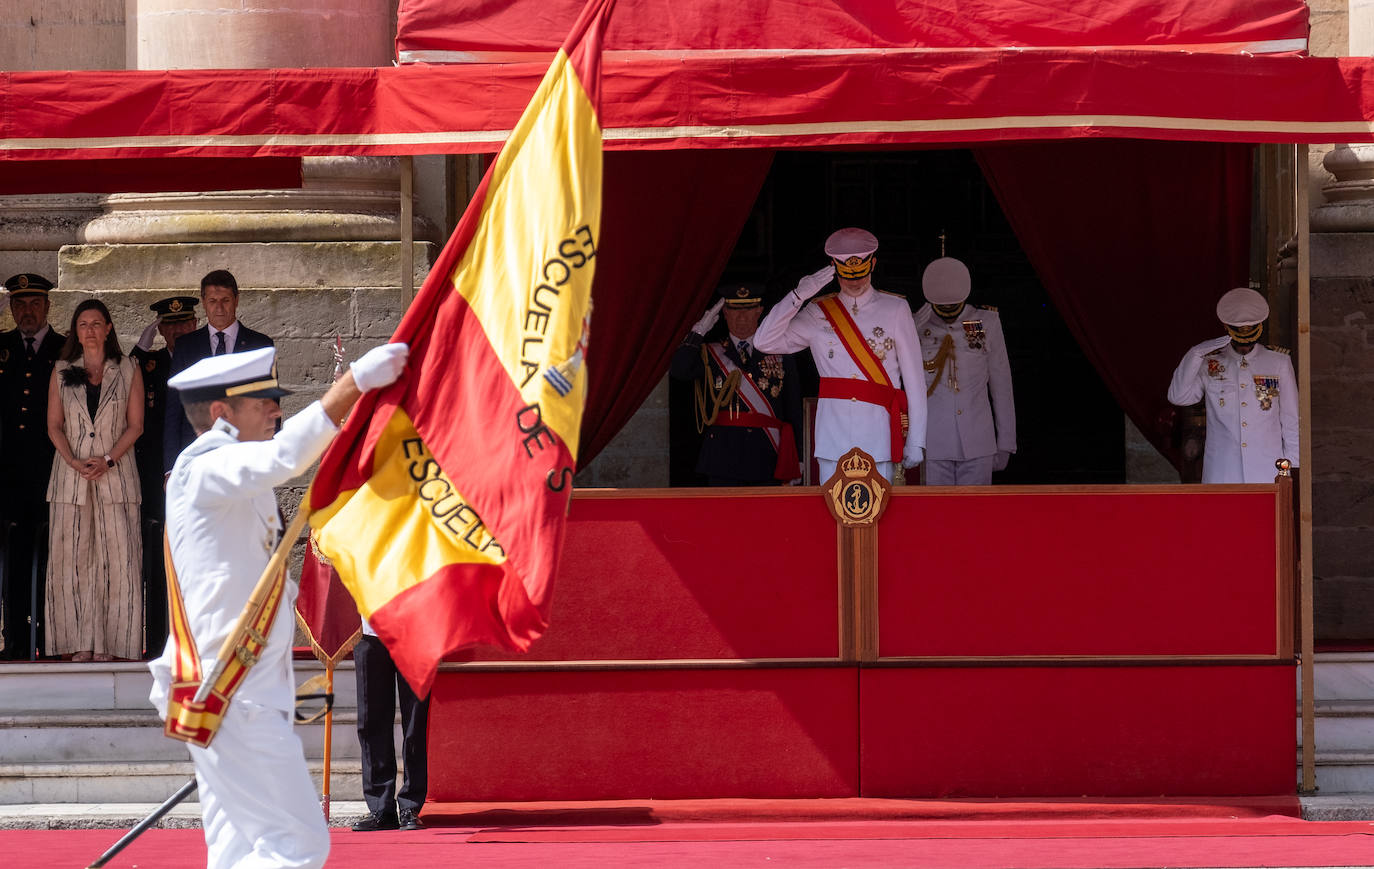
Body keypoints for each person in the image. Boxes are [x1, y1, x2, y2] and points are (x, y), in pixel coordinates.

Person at [149, 341, 407, 869]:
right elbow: (285, 456)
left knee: (236, 850)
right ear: (221, 415)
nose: (276, 409)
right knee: (299, 846)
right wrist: (353, 382)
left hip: (233, 693)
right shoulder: (206, 469)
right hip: (233, 696)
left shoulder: (234, 479)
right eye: (262, 401)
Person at [753, 227, 927, 483]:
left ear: (873, 264)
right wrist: (798, 295)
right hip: (833, 438)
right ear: (834, 269)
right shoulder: (817, 312)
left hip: (879, 435)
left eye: (860, 274)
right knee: (833, 518)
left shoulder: (896, 309)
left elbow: (914, 381)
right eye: (847, 276)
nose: (854, 281)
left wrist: (916, 440)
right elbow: (763, 341)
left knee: (879, 519)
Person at [44, 300, 145, 662]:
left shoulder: (129, 368)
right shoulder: (60, 371)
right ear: (75, 331)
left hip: (115, 475)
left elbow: (136, 425)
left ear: (108, 328)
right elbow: (54, 424)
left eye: (96, 323)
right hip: (70, 479)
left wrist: (108, 459)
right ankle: (79, 643)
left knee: (118, 560)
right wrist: (72, 460)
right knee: (71, 562)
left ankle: (113, 644)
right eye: (82, 324)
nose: (89, 330)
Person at [669, 283, 802, 485]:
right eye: (734, 310)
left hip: (768, 454)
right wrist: (698, 331)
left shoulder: (780, 352)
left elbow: (794, 408)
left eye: (748, 310)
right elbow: (679, 370)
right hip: (723, 457)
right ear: (724, 313)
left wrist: (798, 457)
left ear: (759, 311)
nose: (741, 317)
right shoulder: (711, 353)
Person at [1167, 287, 1299, 483]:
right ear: (1227, 331)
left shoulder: (1278, 362)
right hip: (1222, 471)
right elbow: (1178, 396)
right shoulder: (1210, 363)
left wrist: (1292, 467)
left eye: (1250, 340)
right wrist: (1195, 354)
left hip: (1267, 469)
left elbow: (1290, 419)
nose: (1245, 346)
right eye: (1239, 341)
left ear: (1259, 329)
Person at [0, 274, 66, 659]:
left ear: (47, 307)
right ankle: (14, 639)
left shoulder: (64, 348)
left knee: (51, 557)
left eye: (35, 303)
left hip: (51, 470)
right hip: (7, 474)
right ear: (11, 308)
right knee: (13, 557)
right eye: (20, 304)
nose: (28, 311)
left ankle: (48, 637)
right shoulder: (2, 347)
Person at [130, 295, 199, 656]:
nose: (177, 332)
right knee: (158, 564)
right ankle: (158, 641)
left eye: (184, 324)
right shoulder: (152, 364)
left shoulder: (203, 362)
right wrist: (143, 348)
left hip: (196, 474)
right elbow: (123, 377)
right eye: (169, 326)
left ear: (194, 324)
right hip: (157, 477)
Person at [915, 257, 1016, 485]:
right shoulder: (918, 325)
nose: (948, 311)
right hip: (932, 442)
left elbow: (1001, 384)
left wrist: (1006, 442)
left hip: (978, 440)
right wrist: (908, 329)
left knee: (976, 516)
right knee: (936, 515)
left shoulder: (982, 322)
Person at [163, 270, 273, 474]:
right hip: (196, 456)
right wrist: (170, 469)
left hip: (245, 454)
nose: (219, 308)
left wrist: (268, 461)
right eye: (213, 300)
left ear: (236, 300)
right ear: (203, 302)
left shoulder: (261, 345)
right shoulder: (186, 346)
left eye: (225, 300)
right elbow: (173, 409)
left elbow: (270, 405)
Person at [351, 617, 430, 832]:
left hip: (415, 628)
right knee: (371, 721)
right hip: (369, 629)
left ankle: (410, 805)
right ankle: (380, 807)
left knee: (414, 722)